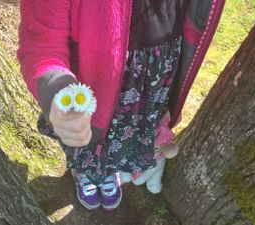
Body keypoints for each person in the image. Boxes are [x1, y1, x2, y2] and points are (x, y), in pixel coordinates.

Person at [17, 0, 225, 210]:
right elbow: (41, 43)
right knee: (85, 138)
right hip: (92, 83)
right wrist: (55, 88)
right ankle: (84, 171)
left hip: (151, 84)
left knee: (122, 140)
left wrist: (175, 96)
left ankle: (109, 169)